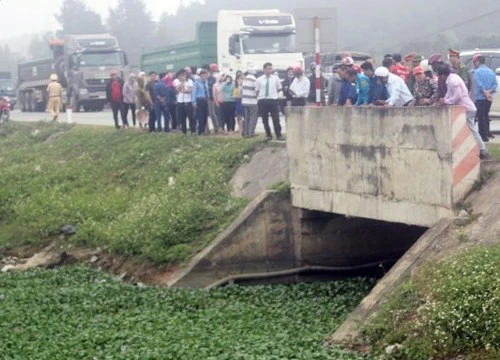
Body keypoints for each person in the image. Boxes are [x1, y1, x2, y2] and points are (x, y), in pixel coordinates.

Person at [437, 65, 488, 159]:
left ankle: (482, 149)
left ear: (442, 75)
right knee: (468, 130)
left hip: (467, 109)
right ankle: (477, 149)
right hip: (464, 109)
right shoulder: (452, 78)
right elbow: (449, 93)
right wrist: (443, 100)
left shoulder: (453, 81)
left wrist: (446, 101)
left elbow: (457, 96)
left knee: (471, 130)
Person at [256, 62, 284, 141]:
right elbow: (257, 91)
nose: (269, 70)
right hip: (263, 100)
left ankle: (279, 135)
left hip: (273, 100)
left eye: (271, 69)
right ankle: (268, 135)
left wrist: (273, 95)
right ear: (264, 70)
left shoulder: (275, 78)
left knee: (276, 118)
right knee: (265, 120)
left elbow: (279, 89)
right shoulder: (259, 79)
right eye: (268, 69)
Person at [474, 55, 498, 142]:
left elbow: (479, 85)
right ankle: (487, 132)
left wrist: (485, 92)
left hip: (480, 97)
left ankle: (483, 135)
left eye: (475, 62)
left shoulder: (477, 72)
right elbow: (495, 84)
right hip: (489, 97)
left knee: (481, 116)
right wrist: (489, 92)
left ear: (478, 62)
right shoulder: (491, 72)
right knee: (486, 114)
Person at [174, 69, 195, 134]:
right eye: (181, 75)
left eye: (184, 75)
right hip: (180, 102)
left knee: (191, 117)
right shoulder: (177, 81)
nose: (182, 76)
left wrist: (184, 91)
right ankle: (184, 131)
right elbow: (177, 90)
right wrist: (182, 82)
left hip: (188, 101)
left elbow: (190, 90)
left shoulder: (190, 81)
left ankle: (192, 130)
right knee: (182, 118)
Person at [192, 70, 210, 135]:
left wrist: (208, 97)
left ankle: (204, 129)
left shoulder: (206, 82)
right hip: (199, 99)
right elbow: (194, 92)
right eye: (204, 75)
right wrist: (194, 102)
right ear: (201, 75)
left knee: (205, 115)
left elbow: (207, 91)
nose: (205, 77)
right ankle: (200, 131)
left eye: (206, 75)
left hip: (205, 99)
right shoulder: (197, 82)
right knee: (200, 116)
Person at [241, 68, 258, 138]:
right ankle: (251, 133)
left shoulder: (244, 80)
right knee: (253, 118)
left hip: (245, 101)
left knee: (246, 118)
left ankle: (245, 133)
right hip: (252, 101)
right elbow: (256, 90)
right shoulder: (254, 79)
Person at [207, 63, 220, 134]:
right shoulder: (204, 79)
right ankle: (206, 129)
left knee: (212, 113)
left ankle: (216, 128)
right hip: (204, 98)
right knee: (205, 114)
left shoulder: (213, 78)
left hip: (211, 98)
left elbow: (215, 88)